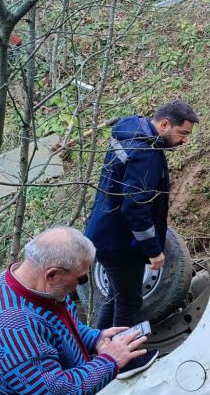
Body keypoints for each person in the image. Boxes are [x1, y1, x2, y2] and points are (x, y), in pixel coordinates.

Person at [0, 227, 150, 395]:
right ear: (52, 274)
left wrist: (95, 339)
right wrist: (110, 361)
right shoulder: (10, 327)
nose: (81, 283)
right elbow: (54, 393)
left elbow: (61, 325)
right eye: (81, 279)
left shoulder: (37, 288)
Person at [84, 100, 199, 370]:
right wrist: (152, 250)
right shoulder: (145, 152)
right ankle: (125, 361)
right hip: (119, 241)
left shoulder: (132, 129)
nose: (184, 142)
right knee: (129, 299)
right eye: (183, 134)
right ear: (164, 124)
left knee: (115, 295)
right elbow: (136, 206)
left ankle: (96, 351)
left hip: (104, 232)